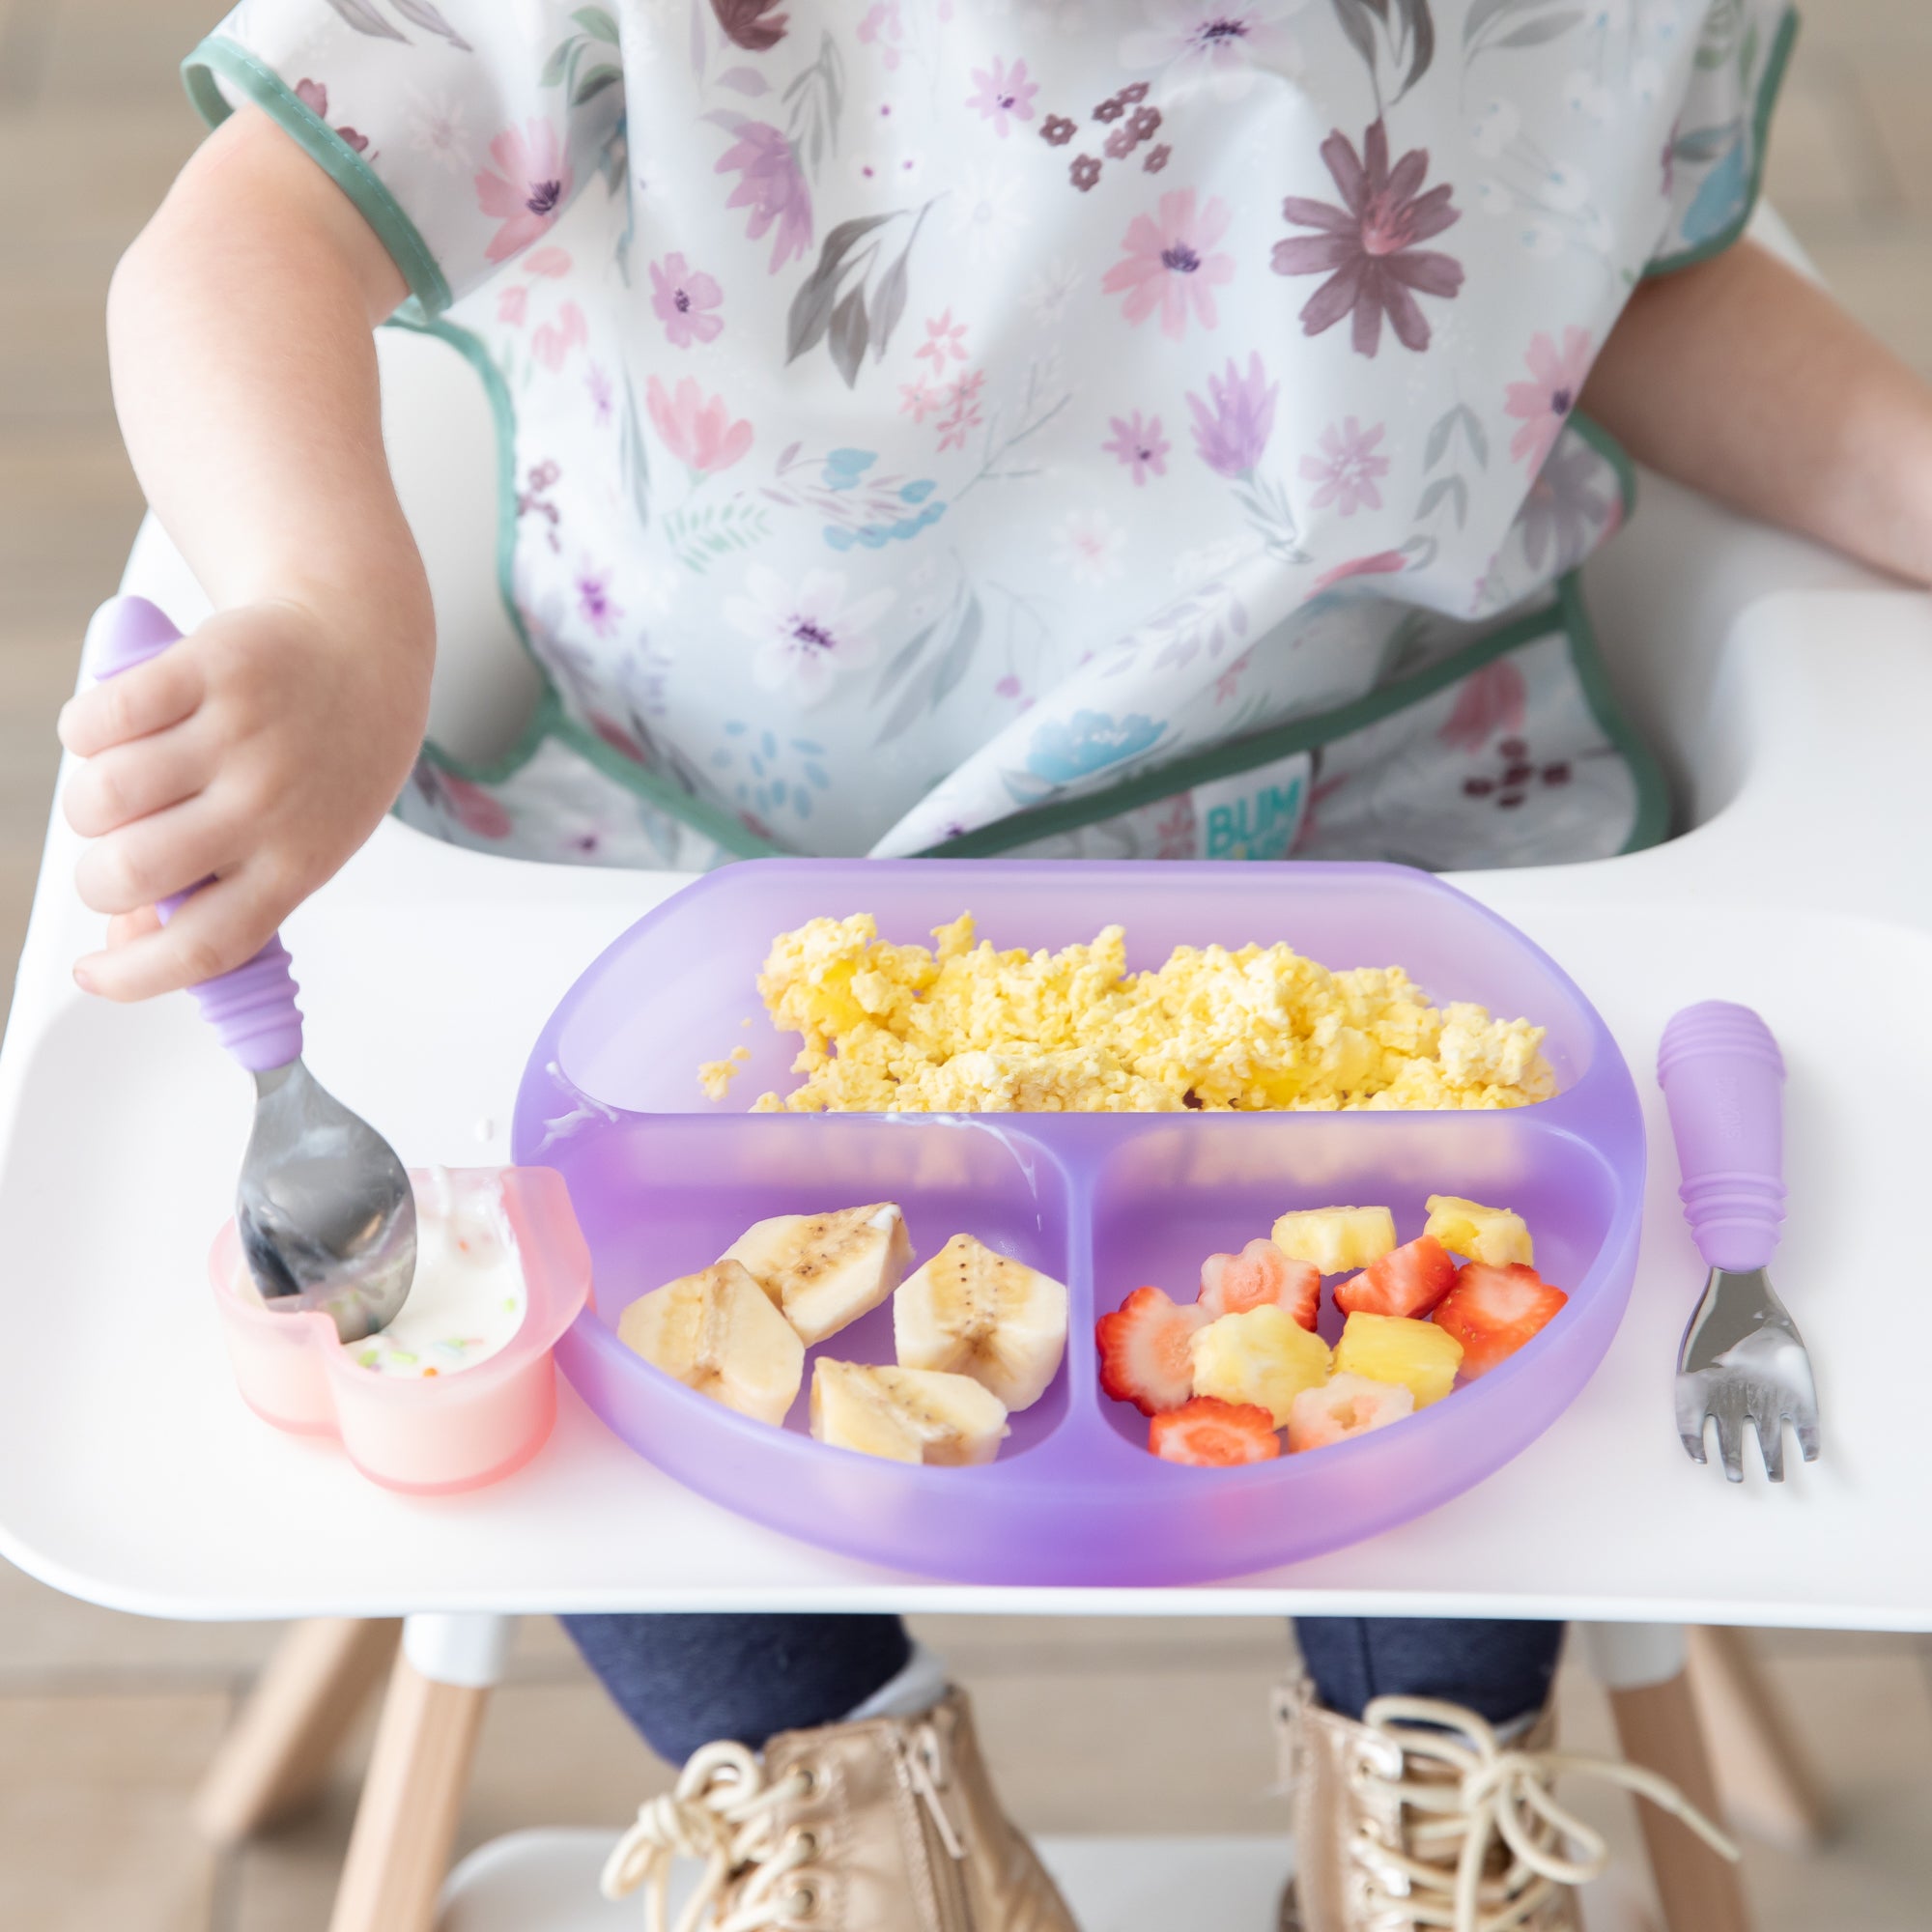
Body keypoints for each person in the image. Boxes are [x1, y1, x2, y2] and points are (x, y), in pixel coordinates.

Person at [58, 3, 1924, 1926]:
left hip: (1366, 819)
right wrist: (328, 603)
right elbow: (253, 225)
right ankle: (836, 1788)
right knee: (533, 1265)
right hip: (735, 864)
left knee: (1473, 1268)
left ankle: (1432, 1779)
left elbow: (1599, 278)